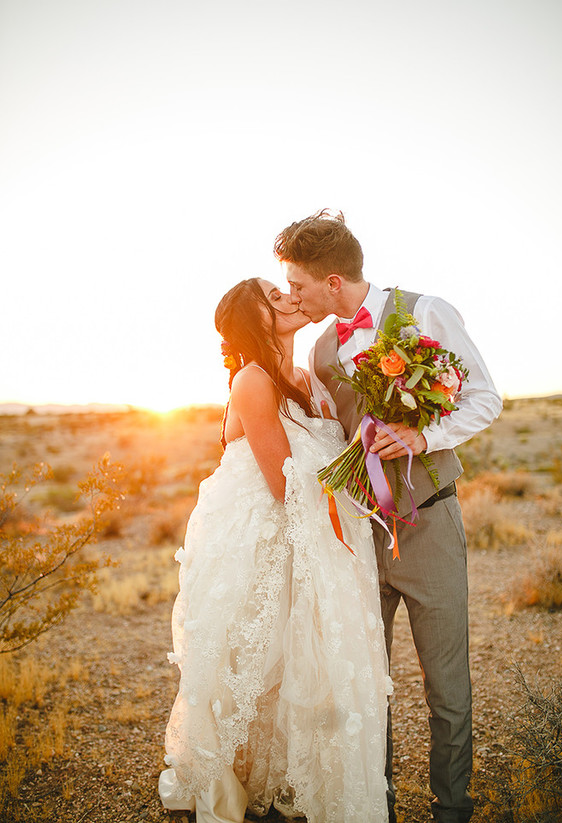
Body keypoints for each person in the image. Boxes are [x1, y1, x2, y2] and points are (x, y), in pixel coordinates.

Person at [274, 211, 502, 823]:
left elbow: (485, 397)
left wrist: (424, 438)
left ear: (331, 281)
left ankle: (452, 808)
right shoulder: (323, 349)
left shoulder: (426, 312)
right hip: (357, 536)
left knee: (446, 685)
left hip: (429, 522)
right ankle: (379, 805)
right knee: (366, 686)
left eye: (297, 285)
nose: (292, 297)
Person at [158, 277, 392, 823]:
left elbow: (333, 458)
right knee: (255, 665)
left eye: (286, 291)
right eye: (274, 296)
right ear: (253, 319)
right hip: (261, 546)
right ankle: (232, 785)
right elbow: (285, 483)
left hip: (311, 540)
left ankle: (295, 783)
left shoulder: (309, 379)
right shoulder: (252, 381)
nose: (289, 299)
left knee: (303, 664)